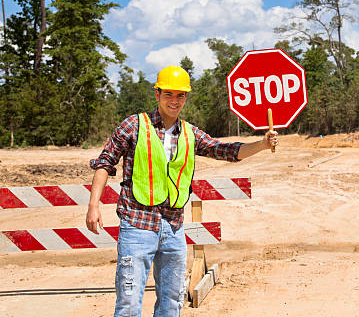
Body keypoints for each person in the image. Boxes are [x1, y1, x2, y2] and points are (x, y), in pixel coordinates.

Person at [86, 65, 277, 316]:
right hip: (137, 225)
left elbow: (226, 151)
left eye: (180, 95)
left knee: (172, 303)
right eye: (169, 94)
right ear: (157, 94)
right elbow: (104, 163)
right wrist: (93, 205)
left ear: (186, 98)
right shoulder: (133, 126)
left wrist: (262, 144)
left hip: (173, 229)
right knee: (129, 303)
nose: (174, 101)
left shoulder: (189, 133)